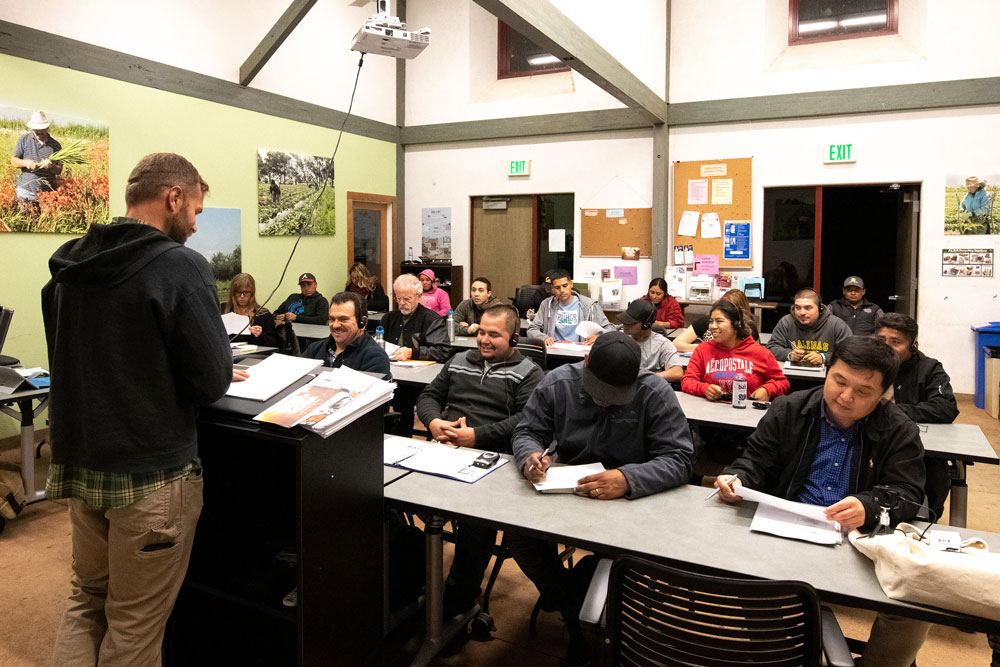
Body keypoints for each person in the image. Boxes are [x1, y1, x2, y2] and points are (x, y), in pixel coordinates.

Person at [41, 153, 247, 667]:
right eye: (196, 211)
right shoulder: (180, 266)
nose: (197, 226)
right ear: (173, 198)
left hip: (81, 462)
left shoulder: (71, 261)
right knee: (134, 627)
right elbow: (208, 380)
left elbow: (76, 355)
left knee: (85, 599)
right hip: (150, 474)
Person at [713, 336, 929, 667]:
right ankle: (783, 655)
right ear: (826, 373)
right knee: (746, 576)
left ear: (884, 393)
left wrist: (868, 506)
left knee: (914, 605)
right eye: (839, 381)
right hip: (792, 526)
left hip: (860, 539)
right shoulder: (790, 409)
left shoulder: (898, 428)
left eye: (863, 392)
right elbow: (756, 461)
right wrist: (738, 479)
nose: (845, 397)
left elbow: (908, 492)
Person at [510, 332, 694, 665]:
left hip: (628, 502)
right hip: (567, 491)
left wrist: (629, 478)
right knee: (521, 538)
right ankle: (574, 612)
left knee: (608, 563)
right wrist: (530, 457)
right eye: (599, 393)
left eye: (615, 397)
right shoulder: (558, 383)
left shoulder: (654, 392)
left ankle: (595, 627)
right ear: (585, 364)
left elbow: (680, 458)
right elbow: (527, 431)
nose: (605, 402)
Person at [415, 305, 544, 619]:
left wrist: (476, 436)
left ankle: (454, 603)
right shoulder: (459, 360)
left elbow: (524, 421)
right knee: (390, 499)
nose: (484, 340)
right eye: (481, 332)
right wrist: (434, 423)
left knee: (475, 524)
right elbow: (429, 395)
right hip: (445, 451)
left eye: (494, 335)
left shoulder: (529, 372)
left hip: (493, 461)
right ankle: (413, 584)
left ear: (514, 337)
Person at [876, 313, 959, 521]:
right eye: (881, 340)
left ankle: (926, 518)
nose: (887, 347)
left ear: (912, 345)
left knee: (933, 468)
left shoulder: (929, 368)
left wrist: (897, 412)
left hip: (912, 443)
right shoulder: (865, 363)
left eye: (896, 342)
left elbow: (945, 407)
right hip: (871, 440)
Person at [382, 273, 450, 436]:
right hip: (392, 373)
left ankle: (401, 435)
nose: (401, 303)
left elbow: (442, 351)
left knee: (403, 401)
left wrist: (412, 352)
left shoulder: (431, 319)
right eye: (398, 299)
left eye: (407, 299)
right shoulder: (389, 318)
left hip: (417, 381)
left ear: (419, 296)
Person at [681, 299, 789, 403]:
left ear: (736, 324)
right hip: (710, 412)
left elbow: (782, 382)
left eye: (719, 321)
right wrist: (705, 389)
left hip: (748, 413)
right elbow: (687, 381)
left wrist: (767, 390)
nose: (712, 326)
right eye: (711, 321)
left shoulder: (760, 352)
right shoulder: (703, 350)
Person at [302, 292, 390, 379]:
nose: (335, 325)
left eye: (343, 319)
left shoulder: (375, 358)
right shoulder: (314, 350)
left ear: (362, 322)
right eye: (332, 319)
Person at [526, 269, 614, 346]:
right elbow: (532, 329)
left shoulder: (590, 305)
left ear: (571, 284)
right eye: (557, 287)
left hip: (580, 352)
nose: (562, 290)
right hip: (554, 351)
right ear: (552, 289)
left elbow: (610, 328)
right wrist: (543, 338)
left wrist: (598, 337)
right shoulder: (546, 304)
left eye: (565, 286)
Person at [766, 288, 851, 366]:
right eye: (798, 308)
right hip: (792, 376)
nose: (801, 312)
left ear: (819, 308)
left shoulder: (836, 325)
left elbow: (849, 353)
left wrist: (824, 358)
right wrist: (789, 355)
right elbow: (771, 348)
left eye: (808, 308)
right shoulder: (786, 322)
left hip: (825, 378)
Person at [673, 288, 760, 353]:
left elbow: (756, 353)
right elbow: (676, 344)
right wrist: (705, 348)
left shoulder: (749, 327)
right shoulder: (707, 321)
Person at [617, 298, 684, 382]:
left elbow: (677, 372)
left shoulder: (662, 344)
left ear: (645, 325)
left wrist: (646, 378)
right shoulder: (618, 339)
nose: (625, 324)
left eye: (630, 321)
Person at [10, 110, 63, 214]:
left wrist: (52, 166)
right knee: (25, 220)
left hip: (46, 194)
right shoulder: (24, 140)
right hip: (25, 191)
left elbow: (59, 170)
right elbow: (14, 161)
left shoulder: (56, 145)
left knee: (42, 223)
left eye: (41, 129)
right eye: (36, 129)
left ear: (47, 128)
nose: (38, 132)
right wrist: (26, 163)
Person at [223, 272, 278, 347]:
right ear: (233, 293)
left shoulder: (263, 314)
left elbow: (274, 344)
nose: (242, 296)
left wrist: (260, 334)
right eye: (238, 292)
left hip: (255, 355)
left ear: (252, 293)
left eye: (246, 292)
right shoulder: (223, 311)